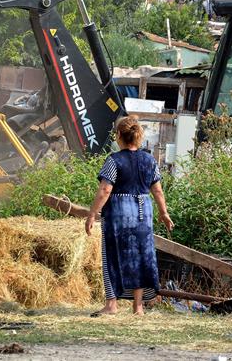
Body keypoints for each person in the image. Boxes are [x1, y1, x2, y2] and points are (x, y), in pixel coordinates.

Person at [85, 116, 174, 316]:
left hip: (119, 213)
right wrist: (164, 213)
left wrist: (92, 213)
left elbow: (105, 190)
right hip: (143, 212)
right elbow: (157, 191)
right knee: (140, 258)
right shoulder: (150, 160)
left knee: (113, 256)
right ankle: (138, 307)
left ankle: (111, 305)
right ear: (138, 136)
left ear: (118, 136)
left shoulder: (113, 161)